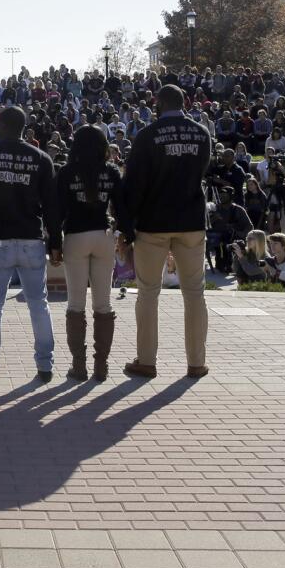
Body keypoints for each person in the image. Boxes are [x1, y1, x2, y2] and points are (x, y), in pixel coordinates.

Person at [117, 84, 213, 379]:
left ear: (158, 104)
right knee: (195, 292)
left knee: (148, 293)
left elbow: (133, 184)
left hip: (153, 222)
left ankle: (147, 361)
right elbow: (202, 172)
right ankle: (196, 363)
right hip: (192, 220)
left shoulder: (147, 135)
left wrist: (125, 228)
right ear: (183, 103)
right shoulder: (201, 133)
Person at [0, 105, 60, 383]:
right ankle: (45, 366)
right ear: (23, 128)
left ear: (0, 125)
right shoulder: (40, 159)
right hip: (31, 238)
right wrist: (56, 243)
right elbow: (51, 206)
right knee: (38, 303)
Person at [55, 124, 121, 381]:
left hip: (75, 237)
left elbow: (57, 210)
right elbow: (122, 205)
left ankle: (79, 366)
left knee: (75, 304)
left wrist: (54, 242)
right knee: (103, 304)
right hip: (103, 236)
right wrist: (123, 233)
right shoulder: (111, 171)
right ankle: (101, 367)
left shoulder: (67, 172)